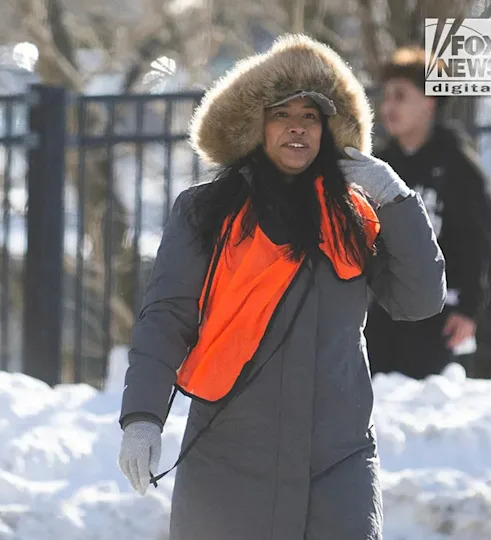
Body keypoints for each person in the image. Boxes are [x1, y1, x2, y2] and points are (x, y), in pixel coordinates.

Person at [117, 35, 445, 539]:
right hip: (226, 464)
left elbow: (418, 300)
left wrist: (395, 197)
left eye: (311, 115)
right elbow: (166, 318)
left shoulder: (357, 216)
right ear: (255, 125)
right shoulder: (205, 211)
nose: (297, 126)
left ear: (328, 130)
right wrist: (142, 418)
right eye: (281, 114)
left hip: (338, 466)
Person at [365, 46, 491, 379]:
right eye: (386, 97)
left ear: (429, 103)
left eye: (400, 96)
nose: (388, 107)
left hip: (441, 313)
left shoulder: (459, 166)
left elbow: (479, 243)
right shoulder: (379, 166)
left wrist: (468, 309)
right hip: (385, 311)